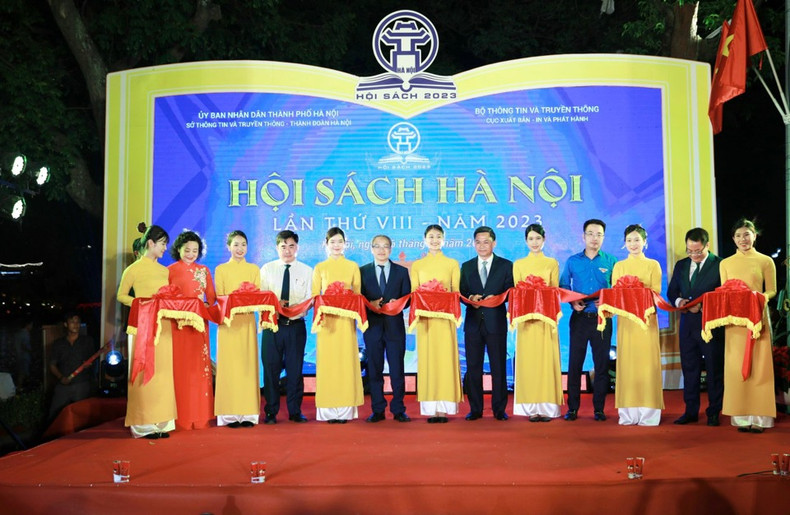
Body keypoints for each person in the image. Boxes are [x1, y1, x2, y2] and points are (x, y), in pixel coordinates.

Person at [117, 224, 176, 439]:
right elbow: (121, 295)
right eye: (162, 244)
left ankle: (162, 423)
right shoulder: (133, 269)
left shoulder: (165, 271)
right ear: (150, 243)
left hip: (163, 326)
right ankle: (143, 425)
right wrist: (141, 304)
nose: (165, 248)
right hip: (142, 325)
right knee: (142, 373)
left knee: (163, 374)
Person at [720, 218, 777, 433]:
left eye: (746, 234)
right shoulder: (725, 263)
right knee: (736, 366)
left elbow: (772, 289)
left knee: (760, 366)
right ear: (733, 239)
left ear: (755, 235)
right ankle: (741, 417)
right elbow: (723, 291)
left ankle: (760, 418)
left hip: (757, 319)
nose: (742, 239)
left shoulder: (765, 261)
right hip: (734, 321)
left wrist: (759, 298)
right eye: (738, 235)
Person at [559, 219, 617, 421]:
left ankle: (599, 409)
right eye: (590, 234)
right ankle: (572, 408)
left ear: (604, 237)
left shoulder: (611, 261)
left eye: (599, 234)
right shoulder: (573, 261)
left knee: (601, 365)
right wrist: (572, 302)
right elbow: (563, 286)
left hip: (602, 319)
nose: (594, 238)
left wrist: (610, 303)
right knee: (575, 364)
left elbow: (618, 289)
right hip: (580, 318)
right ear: (583, 236)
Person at [666, 227, 724, 426]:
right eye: (690, 251)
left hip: (710, 326)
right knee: (689, 368)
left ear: (707, 245)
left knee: (714, 369)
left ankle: (714, 411)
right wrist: (680, 302)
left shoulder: (720, 264)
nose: (694, 255)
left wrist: (703, 306)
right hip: (687, 326)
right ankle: (690, 411)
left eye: (698, 251)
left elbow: (724, 295)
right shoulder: (681, 265)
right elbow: (672, 292)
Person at [611, 224, 663, 426]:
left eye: (637, 240)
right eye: (629, 240)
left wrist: (635, 290)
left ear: (645, 242)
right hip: (626, 322)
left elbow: (655, 293)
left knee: (647, 364)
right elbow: (615, 294)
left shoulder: (653, 265)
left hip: (646, 322)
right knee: (628, 364)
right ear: (624, 243)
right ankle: (628, 414)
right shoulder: (619, 266)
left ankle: (649, 414)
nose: (633, 244)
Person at [459, 226, 513, 421]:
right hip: (473, 324)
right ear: (474, 244)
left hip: (495, 323)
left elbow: (511, 292)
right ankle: (475, 409)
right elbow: (461, 292)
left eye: (486, 242)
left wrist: (496, 298)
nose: (482, 246)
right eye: (478, 242)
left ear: (494, 243)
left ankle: (499, 409)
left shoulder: (506, 265)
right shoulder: (466, 266)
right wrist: (470, 298)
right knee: (473, 368)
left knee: (498, 367)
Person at [311, 227, 364, 423]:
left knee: (346, 363)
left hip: (346, 323)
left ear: (345, 244)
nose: (336, 245)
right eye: (332, 242)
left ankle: (345, 411)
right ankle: (328, 411)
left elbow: (357, 296)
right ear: (325, 244)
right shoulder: (320, 267)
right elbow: (315, 296)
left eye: (340, 241)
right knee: (328, 364)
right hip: (327, 324)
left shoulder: (352, 266)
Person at [410, 225, 462, 423]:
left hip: (445, 321)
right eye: (431, 236)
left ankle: (445, 409)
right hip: (426, 322)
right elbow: (414, 294)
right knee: (428, 361)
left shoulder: (452, 263)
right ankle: (431, 409)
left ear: (444, 239)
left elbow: (455, 293)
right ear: (425, 239)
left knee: (445, 360)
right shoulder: (417, 265)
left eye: (438, 236)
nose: (434, 240)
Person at [260, 230, 313, 424]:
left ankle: (295, 411)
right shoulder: (267, 269)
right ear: (277, 248)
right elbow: (261, 297)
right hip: (272, 326)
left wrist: (296, 308)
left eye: (291, 246)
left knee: (295, 370)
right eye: (283, 247)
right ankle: (271, 411)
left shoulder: (307, 271)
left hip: (296, 326)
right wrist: (276, 305)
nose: (287, 250)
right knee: (271, 369)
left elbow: (310, 299)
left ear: (297, 247)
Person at [512, 224, 562, 421]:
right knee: (528, 362)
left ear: (544, 240)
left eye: (538, 238)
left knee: (546, 361)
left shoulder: (552, 263)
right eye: (531, 239)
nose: (535, 242)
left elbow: (555, 292)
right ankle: (530, 407)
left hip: (546, 321)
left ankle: (547, 407)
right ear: (526, 241)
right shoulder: (518, 264)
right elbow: (516, 293)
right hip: (526, 321)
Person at [167, 230, 216, 430]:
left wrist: (204, 307)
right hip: (177, 325)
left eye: (195, 250)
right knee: (179, 368)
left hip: (198, 326)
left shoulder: (204, 270)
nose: (191, 254)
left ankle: (200, 416)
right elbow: (164, 297)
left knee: (198, 369)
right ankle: (180, 418)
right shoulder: (169, 271)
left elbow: (211, 298)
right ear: (178, 249)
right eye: (187, 250)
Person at [360, 234, 412, 423]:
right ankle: (378, 409)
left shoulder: (401, 272)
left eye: (385, 246)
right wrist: (370, 304)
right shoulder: (362, 272)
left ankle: (398, 409)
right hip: (372, 327)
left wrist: (397, 303)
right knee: (374, 370)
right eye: (378, 246)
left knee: (397, 369)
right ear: (371, 249)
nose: (381, 250)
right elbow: (359, 299)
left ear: (391, 249)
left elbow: (408, 299)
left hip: (394, 327)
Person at [214, 230, 261, 428]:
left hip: (247, 322)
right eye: (236, 245)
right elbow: (220, 296)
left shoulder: (253, 269)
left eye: (243, 245)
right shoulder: (221, 269)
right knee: (229, 367)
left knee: (247, 366)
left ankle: (248, 413)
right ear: (228, 247)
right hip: (228, 323)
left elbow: (258, 296)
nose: (240, 249)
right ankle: (229, 415)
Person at [48, 312, 96, 421]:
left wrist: (89, 364)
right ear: (65, 324)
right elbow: (52, 365)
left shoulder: (87, 341)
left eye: (78, 322)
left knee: (81, 416)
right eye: (72, 322)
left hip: (81, 384)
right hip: (63, 385)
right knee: (54, 416)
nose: (76, 325)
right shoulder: (58, 343)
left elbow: (92, 360)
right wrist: (61, 378)